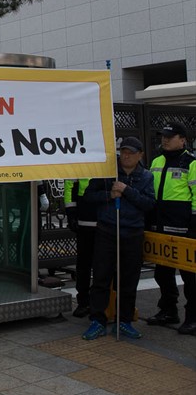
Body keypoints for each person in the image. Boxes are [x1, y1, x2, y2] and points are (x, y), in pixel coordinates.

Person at [81, 135, 155, 341]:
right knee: (101, 277)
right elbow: (88, 196)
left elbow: (149, 204)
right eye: (123, 152)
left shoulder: (146, 177)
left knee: (129, 280)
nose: (126, 156)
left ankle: (124, 321)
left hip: (132, 233)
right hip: (107, 231)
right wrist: (109, 195)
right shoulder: (107, 172)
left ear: (140, 155)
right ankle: (97, 320)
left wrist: (127, 190)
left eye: (131, 153)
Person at [146, 123, 196, 336]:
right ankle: (168, 310)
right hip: (160, 227)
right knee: (162, 273)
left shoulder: (192, 163)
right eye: (163, 136)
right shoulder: (157, 161)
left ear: (183, 140)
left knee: (190, 277)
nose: (165, 140)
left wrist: (193, 227)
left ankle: (193, 318)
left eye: (170, 136)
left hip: (183, 229)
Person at [63, 178, 97, 318]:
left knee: (104, 266)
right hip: (84, 221)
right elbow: (69, 186)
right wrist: (71, 214)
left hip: (105, 221)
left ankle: (100, 302)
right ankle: (83, 302)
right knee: (84, 265)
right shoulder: (79, 165)